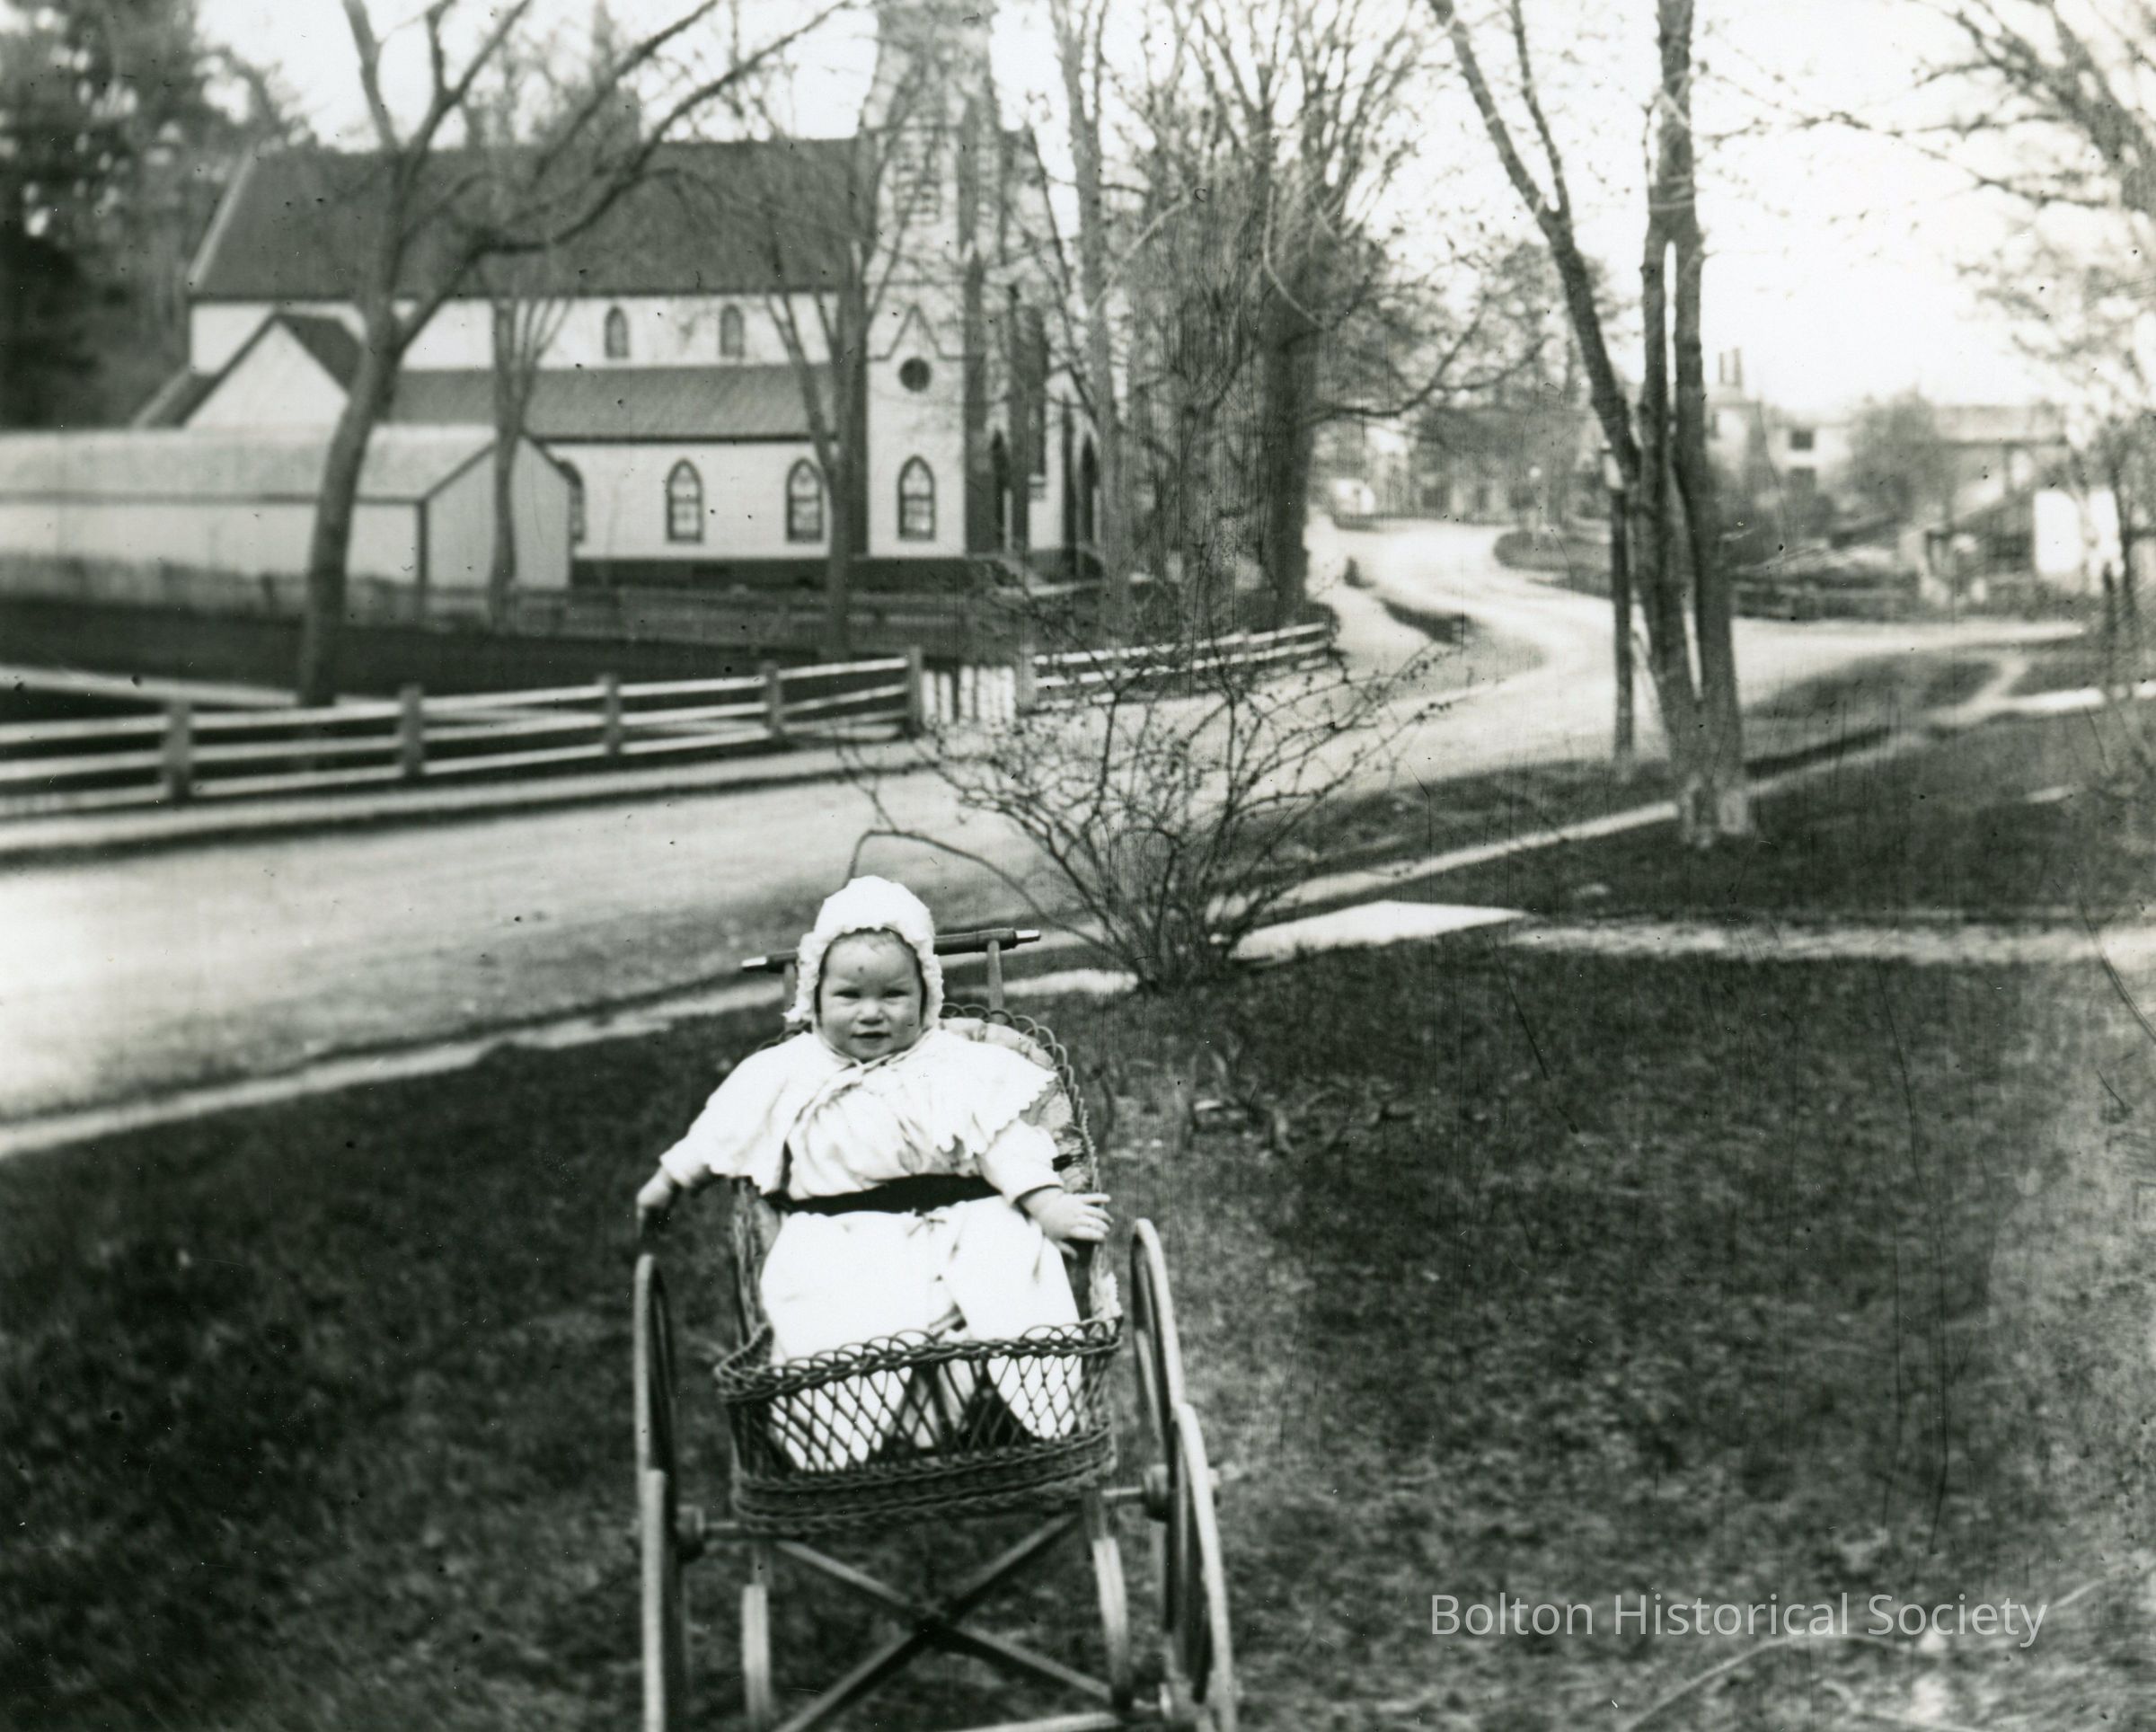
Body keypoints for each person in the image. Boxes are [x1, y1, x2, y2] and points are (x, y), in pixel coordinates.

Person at [635, 876, 1110, 1467]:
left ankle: (995, 1417)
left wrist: (1046, 1203)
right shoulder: (783, 1071)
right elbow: (723, 1130)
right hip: (838, 1233)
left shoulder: (952, 1065)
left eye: (893, 995)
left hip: (964, 1218)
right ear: (815, 997)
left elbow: (1002, 1141)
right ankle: (875, 1444)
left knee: (1005, 1285)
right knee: (834, 1318)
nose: (871, 1014)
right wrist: (669, 1183)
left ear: (925, 996)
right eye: (849, 996)